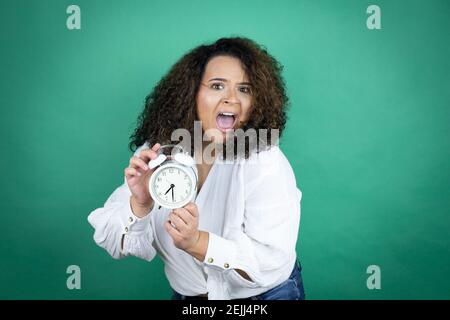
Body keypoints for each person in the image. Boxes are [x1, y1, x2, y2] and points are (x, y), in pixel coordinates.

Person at [87, 37, 305, 300]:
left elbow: (270, 260)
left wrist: (198, 242)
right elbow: (112, 242)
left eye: (245, 89)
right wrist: (140, 203)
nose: (232, 99)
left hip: (264, 296)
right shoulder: (159, 153)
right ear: (191, 92)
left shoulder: (263, 159)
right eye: (217, 86)